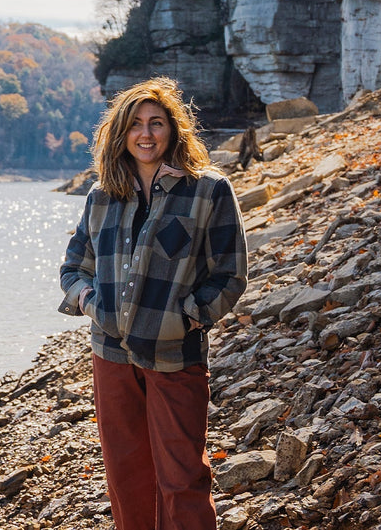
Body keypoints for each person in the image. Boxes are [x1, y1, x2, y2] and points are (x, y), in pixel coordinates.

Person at [58, 77, 248, 530]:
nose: (146, 134)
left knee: (182, 476)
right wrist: (92, 304)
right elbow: (73, 268)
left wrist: (186, 319)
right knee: (126, 477)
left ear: (173, 129)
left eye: (156, 123)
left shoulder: (208, 191)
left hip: (175, 355)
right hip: (111, 357)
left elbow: (230, 274)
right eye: (135, 124)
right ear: (120, 133)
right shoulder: (102, 195)